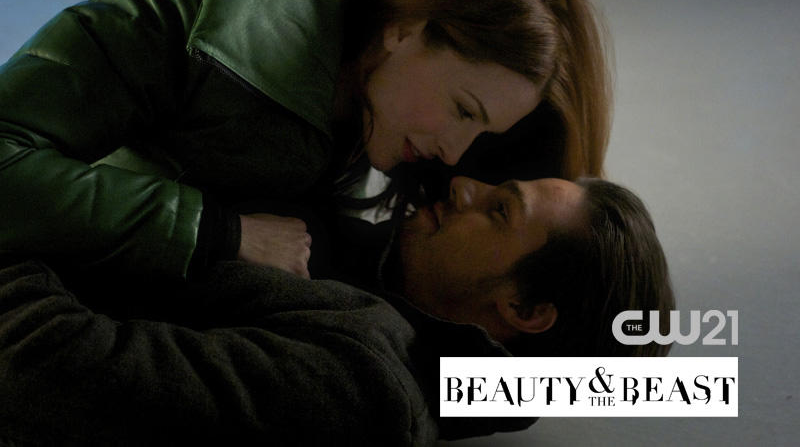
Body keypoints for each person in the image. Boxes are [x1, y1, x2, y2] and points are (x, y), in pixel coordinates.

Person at [0, 0, 611, 286]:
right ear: (404, 31)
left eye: (480, 133)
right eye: (463, 109)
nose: (454, 155)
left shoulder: (366, 102)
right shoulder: (171, 18)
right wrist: (215, 231)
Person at [0, 176, 673, 445]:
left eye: (500, 210)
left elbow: (37, 364)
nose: (464, 185)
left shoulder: (368, 386)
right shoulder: (373, 289)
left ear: (523, 309)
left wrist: (21, 206)